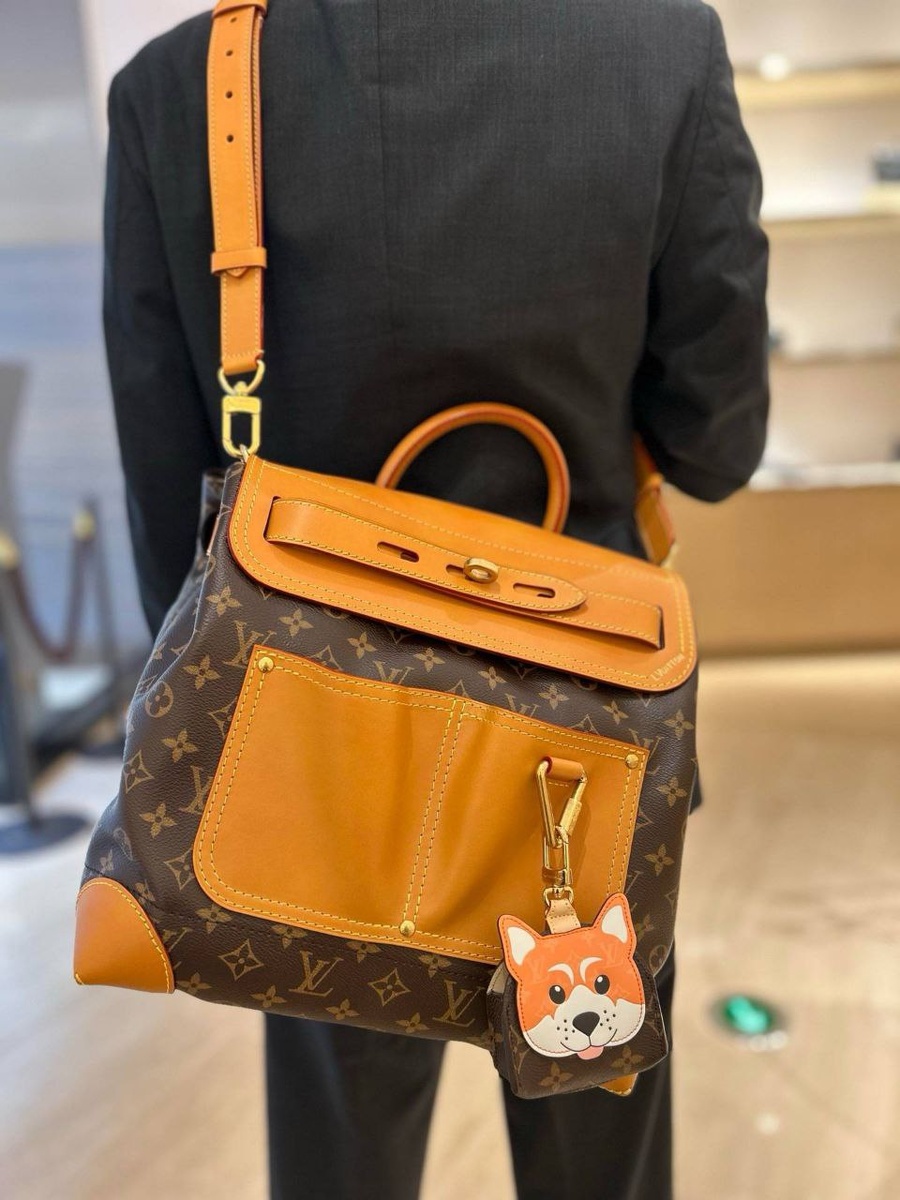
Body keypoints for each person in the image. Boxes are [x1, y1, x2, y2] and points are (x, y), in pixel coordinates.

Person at [102, 1, 769, 1196]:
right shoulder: (661, 48)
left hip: (305, 729)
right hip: (585, 735)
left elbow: (169, 506)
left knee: (341, 1146)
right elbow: (719, 444)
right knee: (596, 1110)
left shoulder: (185, 85)